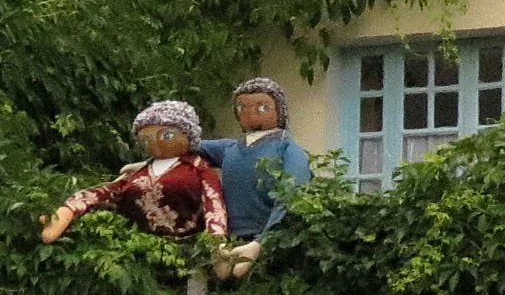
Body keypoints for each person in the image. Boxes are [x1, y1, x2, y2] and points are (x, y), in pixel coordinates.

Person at [40, 101, 229, 243]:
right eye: (146, 139)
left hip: (187, 250)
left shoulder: (198, 168)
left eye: (167, 135)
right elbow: (101, 193)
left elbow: (214, 205)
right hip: (138, 249)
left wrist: (216, 244)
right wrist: (66, 212)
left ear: (188, 135)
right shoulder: (139, 172)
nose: (155, 143)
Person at [198, 77, 310, 279]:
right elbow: (188, 148)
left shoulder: (287, 149)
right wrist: (150, 164)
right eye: (242, 107)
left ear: (279, 110)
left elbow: (293, 195)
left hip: (268, 241)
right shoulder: (230, 148)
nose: (251, 113)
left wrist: (262, 242)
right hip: (230, 239)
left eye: (263, 106)